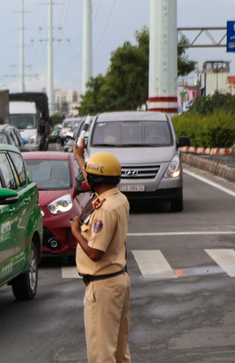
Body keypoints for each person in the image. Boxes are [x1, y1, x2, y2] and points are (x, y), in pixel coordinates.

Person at [71, 141, 131, 363]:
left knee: (101, 355)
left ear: (95, 180)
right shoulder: (117, 198)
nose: (87, 178)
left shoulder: (105, 210)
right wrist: (80, 156)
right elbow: (93, 176)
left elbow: (96, 253)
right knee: (119, 351)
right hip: (118, 280)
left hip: (103, 286)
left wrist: (76, 232)